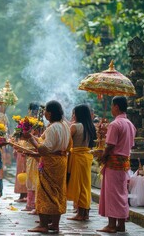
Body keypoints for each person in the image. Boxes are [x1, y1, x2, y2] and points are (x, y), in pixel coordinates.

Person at [25, 100, 71, 233]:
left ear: (50, 114)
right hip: (61, 161)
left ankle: (43, 224)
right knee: (57, 191)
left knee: (45, 191)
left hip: (50, 163)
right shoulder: (65, 126)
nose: (44, 113)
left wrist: (31, 139)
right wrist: (33, 137)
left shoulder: (52, 128)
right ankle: (55, 225)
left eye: (45, 111)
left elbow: (44, 148)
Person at [97, 96, 136, 233]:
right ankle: (121, 224)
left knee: (112, 194)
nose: (112, 109)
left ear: (116, 107)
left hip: (113, 163)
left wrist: (102, 156)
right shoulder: (130, 124)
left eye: (113, 106)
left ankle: (112, 225)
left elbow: (110, 145)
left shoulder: (115, 124)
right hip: (124, 164)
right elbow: (130, 145)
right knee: (121, 193)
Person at [67, 104, 97, 221]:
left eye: (74, 113)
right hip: (87, 156)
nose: (73, 115)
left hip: (77, 157)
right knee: (85, 185)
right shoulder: (91, 127)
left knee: (78, 185)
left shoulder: (75, 127)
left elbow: (67, 142)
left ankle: (80, 213)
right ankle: (85, 212)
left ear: (78, 114)